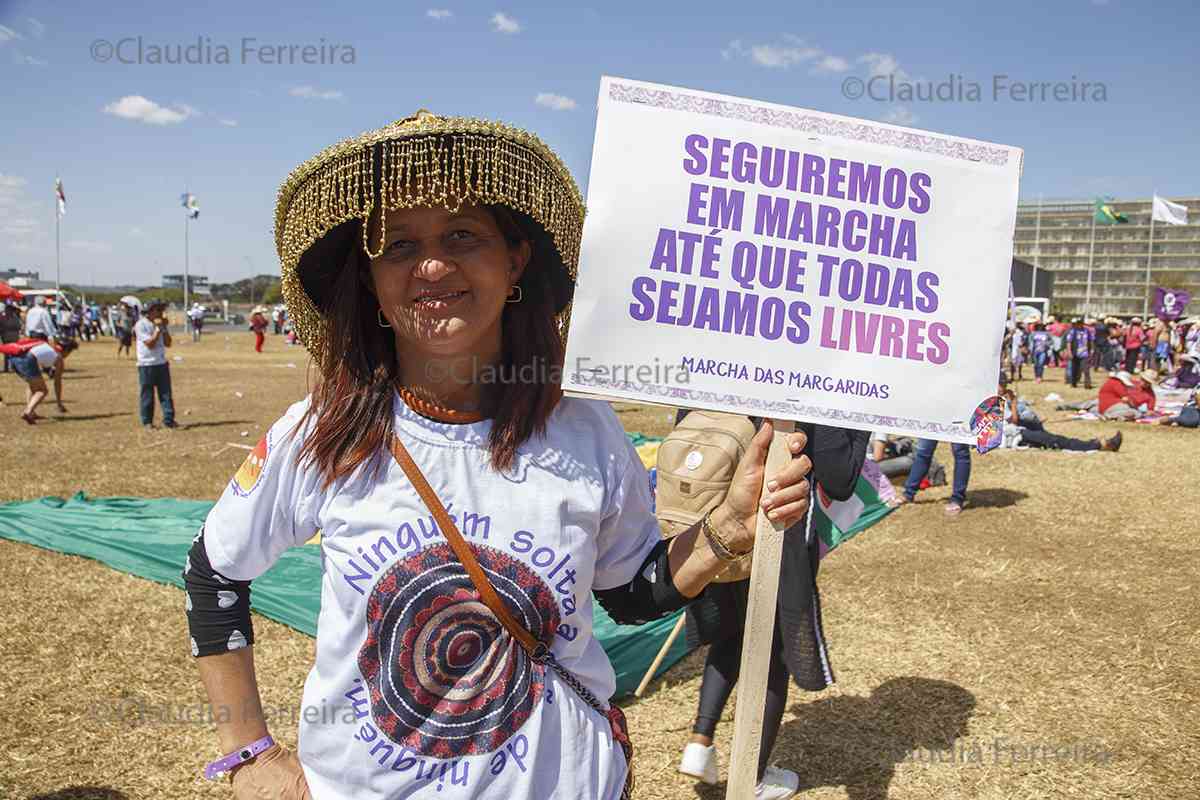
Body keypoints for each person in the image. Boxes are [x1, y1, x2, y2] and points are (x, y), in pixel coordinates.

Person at [182, 110, 817, 800]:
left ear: (514, 259)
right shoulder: (323, 431)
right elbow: (213, 572)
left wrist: (728, 527)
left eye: (462, 235)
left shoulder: (585, 429)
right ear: (369, 279)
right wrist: (245, 750)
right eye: (398, 246)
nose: (431, 266)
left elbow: (631, 591)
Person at [678, 416, 867, 798]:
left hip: (720, 518)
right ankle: (753, 778)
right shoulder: (819, 384)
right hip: (782, 524)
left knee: (732, 630)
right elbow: (840, 478)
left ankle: (700, 741)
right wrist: (861, 418)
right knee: (774, 650)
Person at [998, 373, 1121, 452]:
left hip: (1010, 429)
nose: (1004, 388)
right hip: (1010, 433)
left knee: (1035, 425)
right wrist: (1013, 402)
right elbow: (1013, 420)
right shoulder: (995, 400)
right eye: (1002, 385)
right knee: (1057, 440)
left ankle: (1044, 436)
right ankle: (1096, 445)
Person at [5, 336, 77, 424]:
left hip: (14, 359)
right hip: (27, 359)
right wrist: (59, 403)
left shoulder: (46, 346)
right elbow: (57, 383)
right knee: (42, 390)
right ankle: (28, 412)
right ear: (66, 351)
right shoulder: (59, 359)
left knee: (32, 384)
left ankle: (32, 412)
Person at [135, 299, 176, 429]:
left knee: (166, 393)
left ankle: (168, 420)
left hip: (161, 363)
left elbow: (168, 343)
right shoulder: (141, 325)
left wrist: (164, 329)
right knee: (147, 394)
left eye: (162, 311)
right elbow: (150, 344)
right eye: (158, 310)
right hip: (146, 364)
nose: (161, 313)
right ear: (150, 311)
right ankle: (147, 421)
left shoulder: (160, 325)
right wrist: (158, 329)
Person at [1065, 318, 1093, 389]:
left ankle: (1087, 384)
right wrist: (1069, 352)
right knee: (1075, 369)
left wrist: (1091, 349)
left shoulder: (1087, 331)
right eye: (1078, 323)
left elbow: (1091, 340)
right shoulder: (1072, 331)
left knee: (1086, 369)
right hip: (1075, 353)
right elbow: (1069, 342)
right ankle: (1073, 382)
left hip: (1085, 353)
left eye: (1081, 323)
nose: (1080, 325)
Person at [1, 299, 23, 373]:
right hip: (12, 336)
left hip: (6, 336)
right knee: (12, 353)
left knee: (8, 353)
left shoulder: (2, 317)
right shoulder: (15, 317)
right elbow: (19, 327)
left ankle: (8, 367)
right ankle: (12, 367)